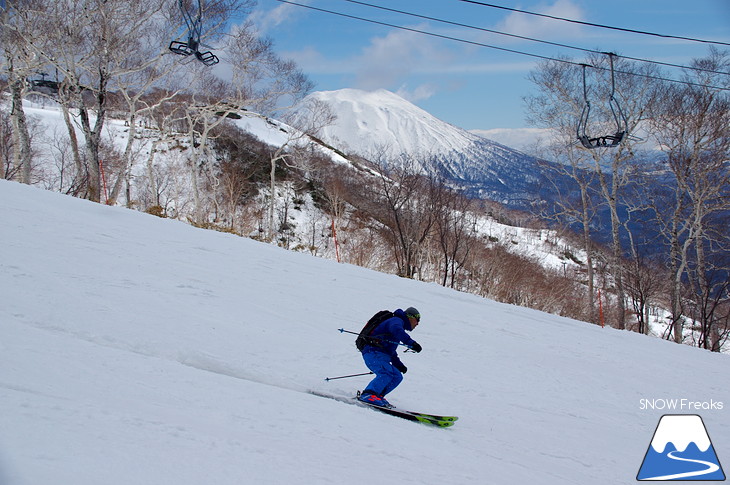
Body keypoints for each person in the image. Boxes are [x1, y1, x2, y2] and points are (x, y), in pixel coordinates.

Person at [358, 307, 422, 408]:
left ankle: (377, 396)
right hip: (373, 352)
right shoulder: (396, 321)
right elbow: (396, 330)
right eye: (417, 319)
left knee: (397, 376)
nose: (417, 323)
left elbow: (391, 351)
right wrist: (411, 343)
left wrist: (399, 365)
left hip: (380, 355)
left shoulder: (397, 326)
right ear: (410, 317)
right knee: (386, 373)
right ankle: (368, 395)